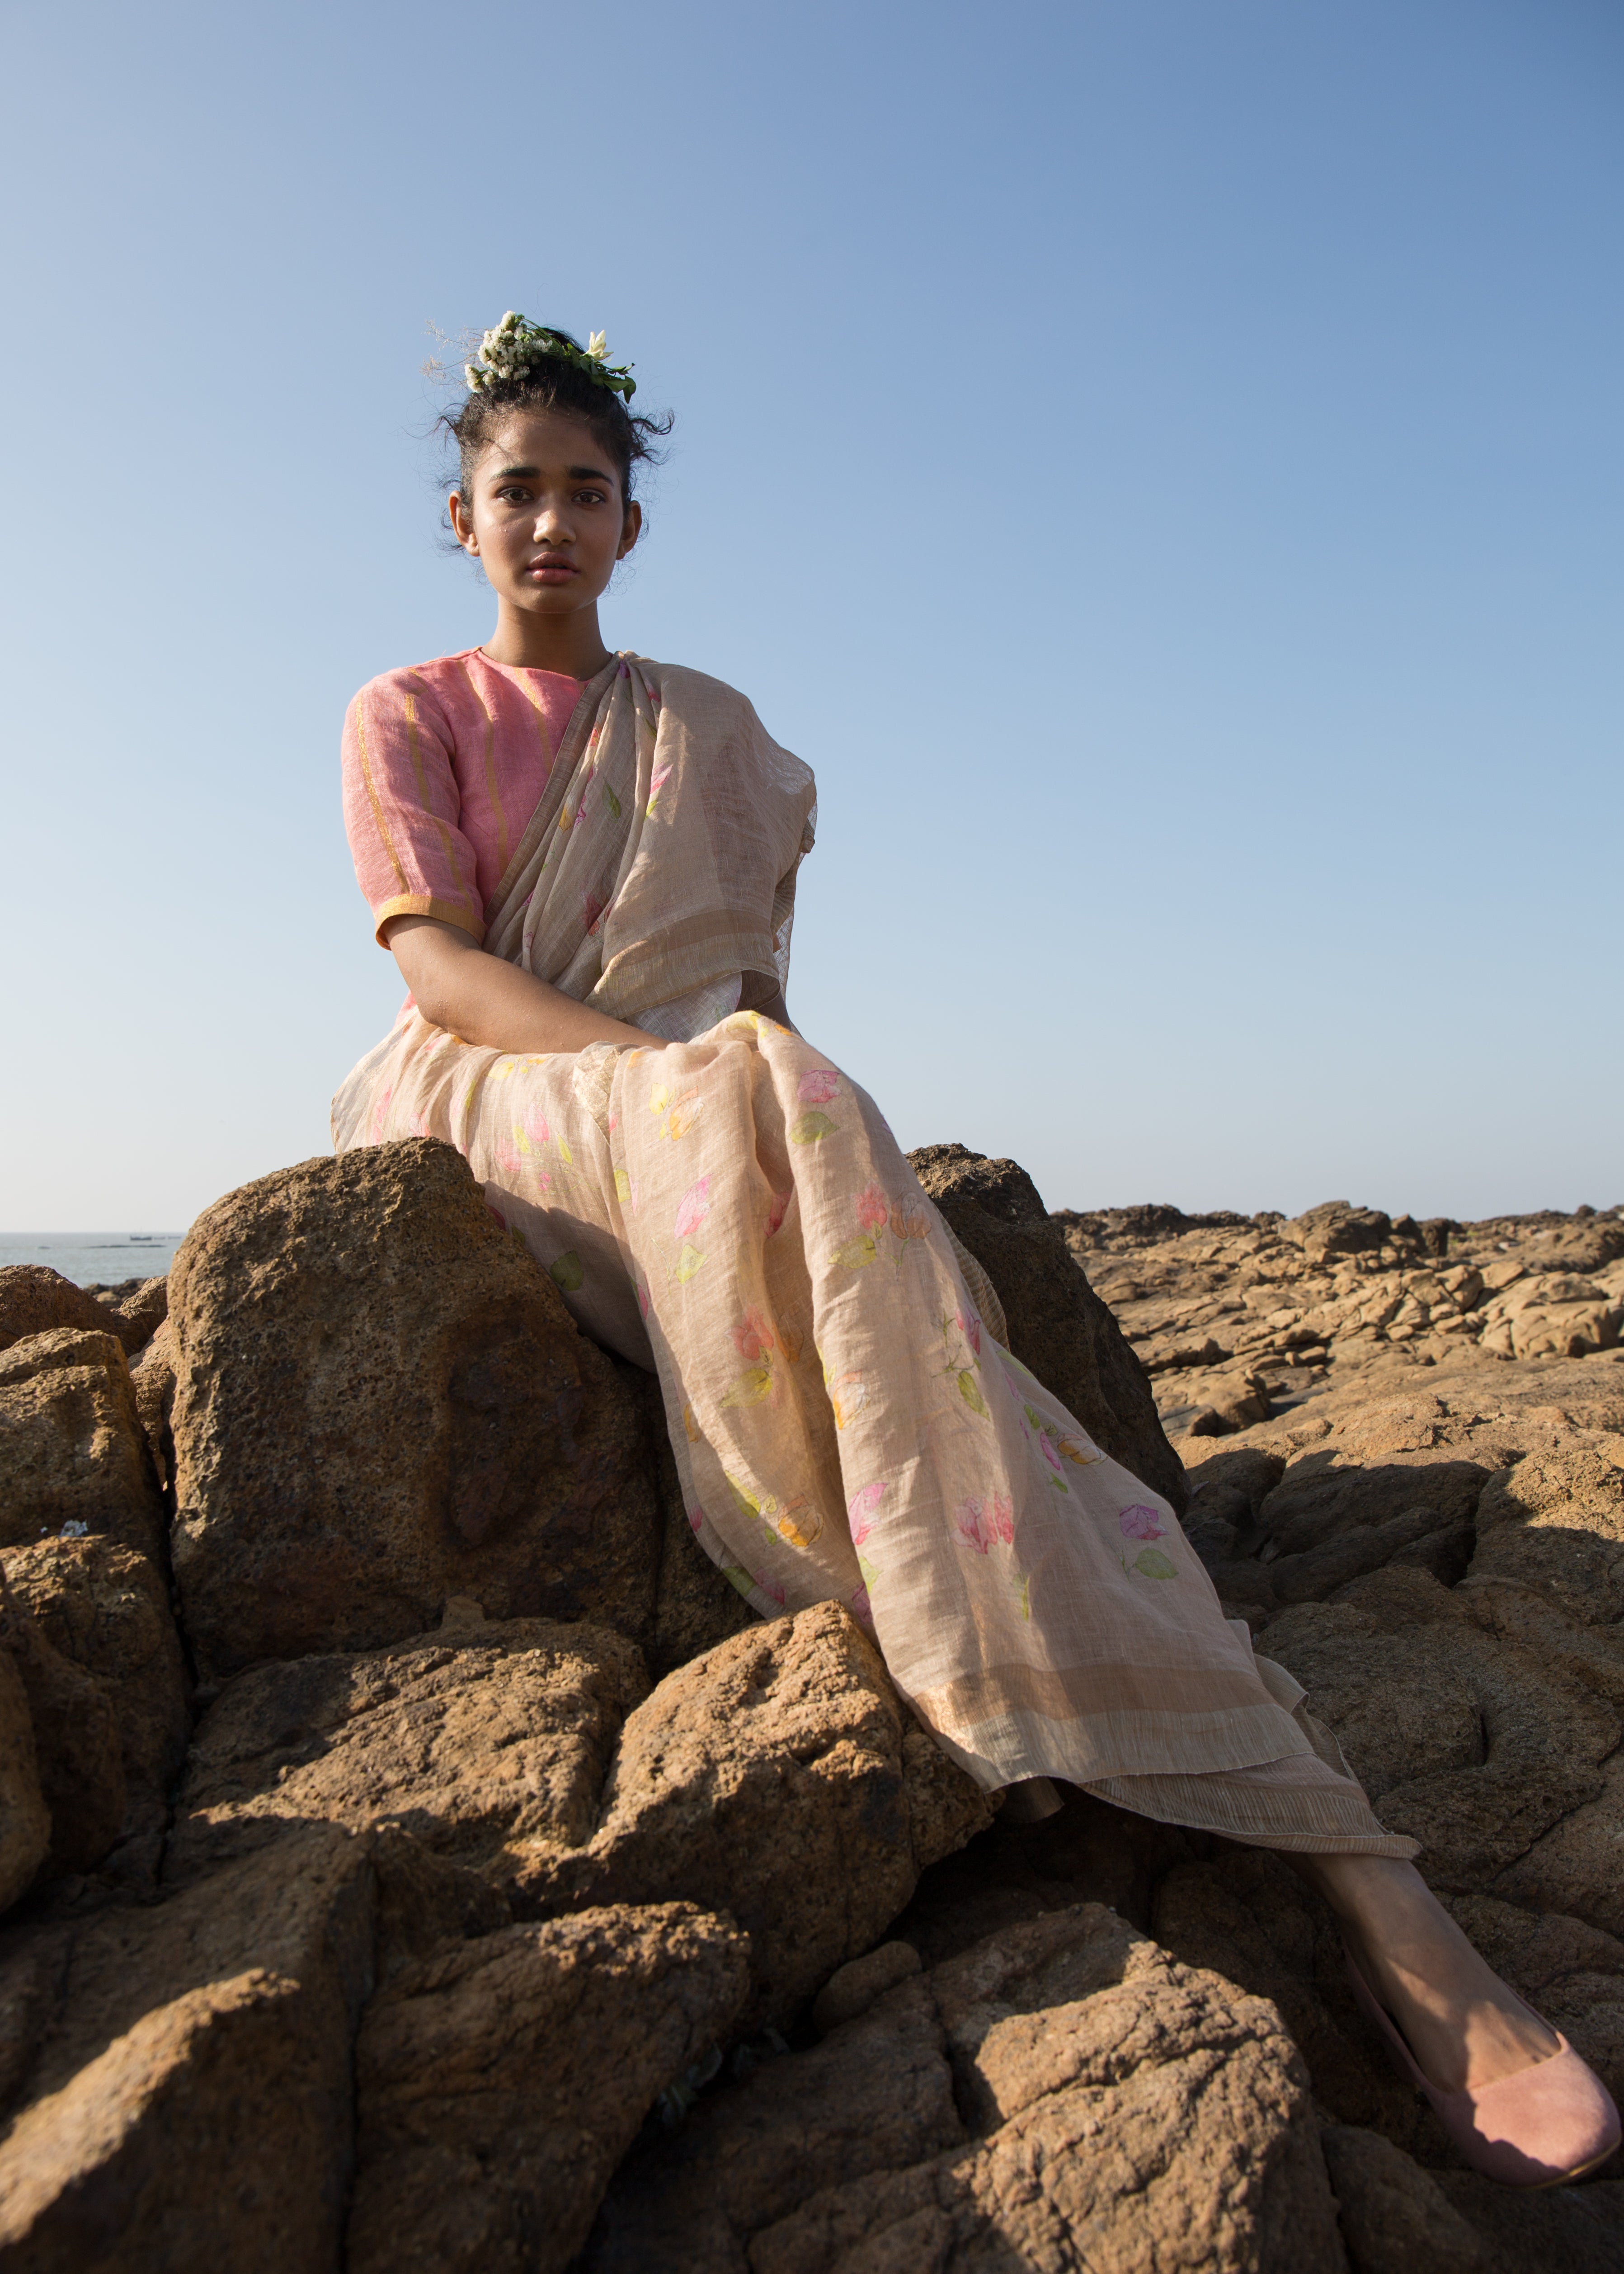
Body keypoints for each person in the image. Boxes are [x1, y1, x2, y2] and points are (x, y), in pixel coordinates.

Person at [334, 315, 1617, 2188]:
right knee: (779, 1099)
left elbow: (748, 982)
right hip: (492, 1083)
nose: (548, 519)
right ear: (460, 518)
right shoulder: (408, 707)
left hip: (711, 1091)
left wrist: (728, 1083)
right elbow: (436, 962)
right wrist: (681, 1078)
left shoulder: (713, 731)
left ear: (629, 523)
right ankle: (1243, 1796)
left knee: (864, 1215)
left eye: (583, 491)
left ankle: (1373, 1888)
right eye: (513, 489)